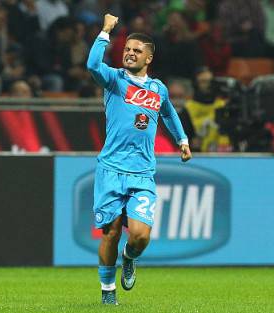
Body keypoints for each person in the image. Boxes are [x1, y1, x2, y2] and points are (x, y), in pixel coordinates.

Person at [86, 14, 192, 305]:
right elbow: (93, 65)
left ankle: (129, 257)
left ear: (149, 57)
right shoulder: (114, 80)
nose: (130, 54)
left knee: (140, 236)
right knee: (109, 233)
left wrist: (182, 140)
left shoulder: (158, 89)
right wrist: (106, 31)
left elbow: (169, 113)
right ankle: (108, 292)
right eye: (127, 50)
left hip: (142, 173)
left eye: (136, 50)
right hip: (110, 169)